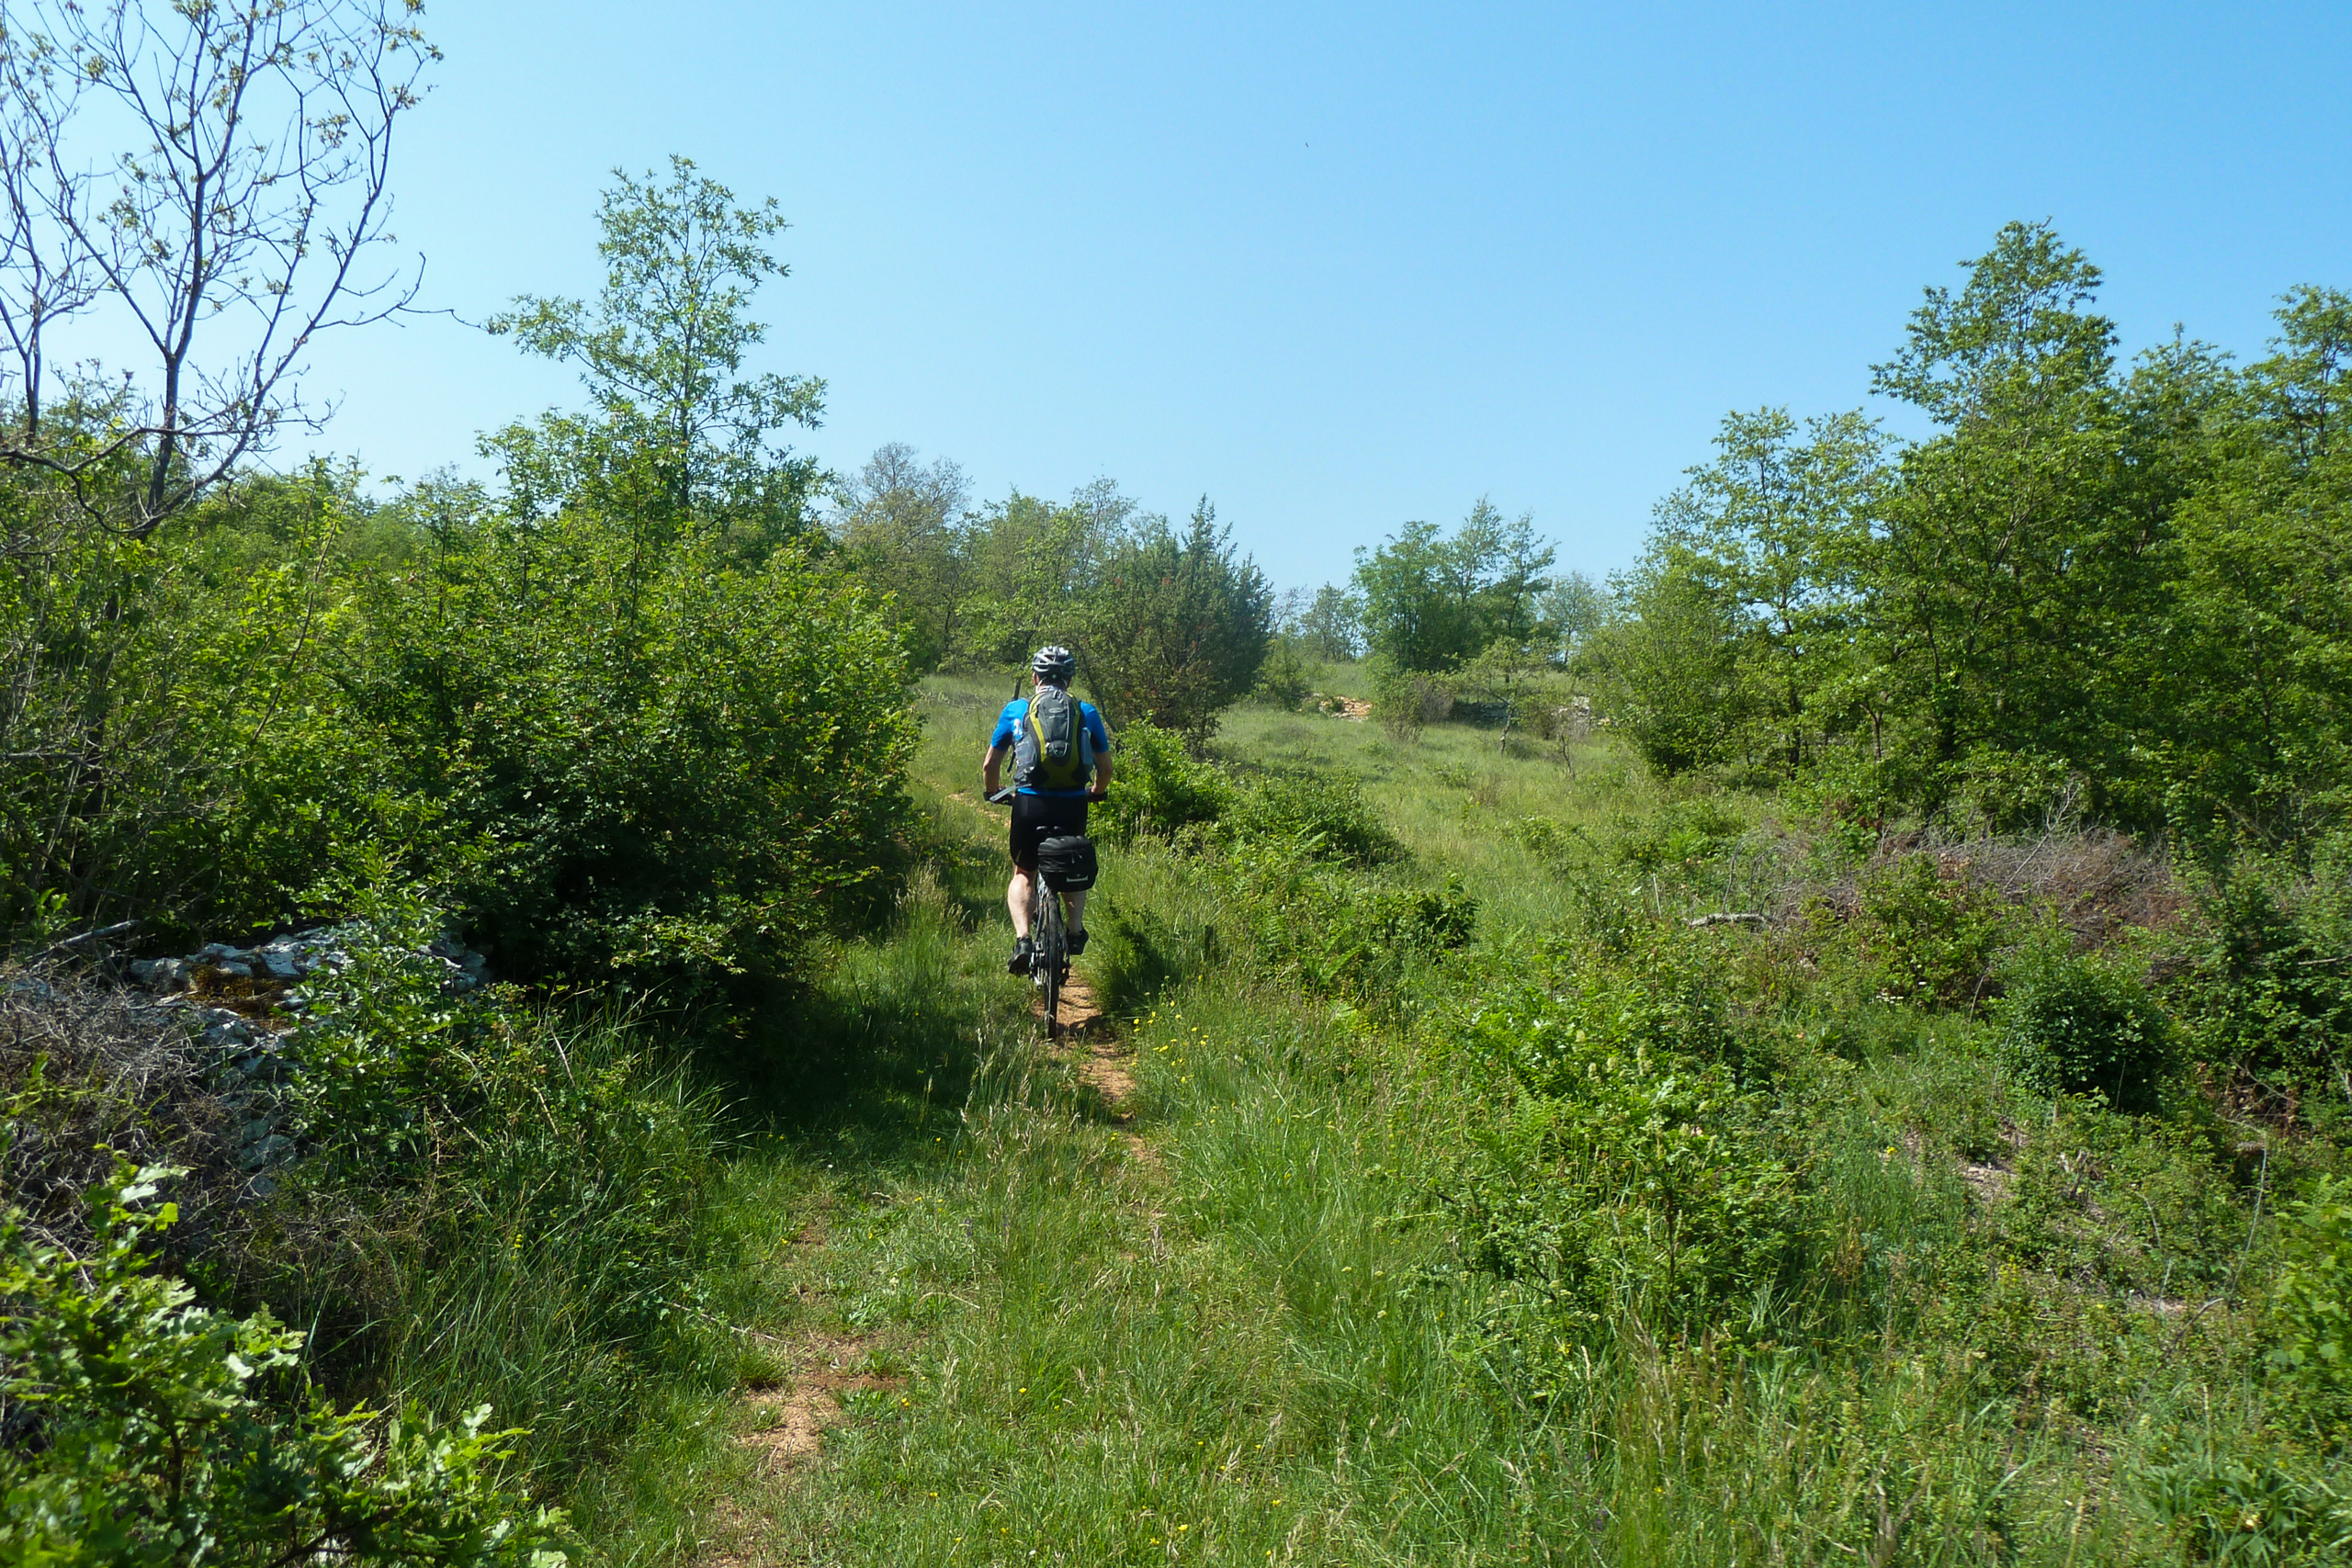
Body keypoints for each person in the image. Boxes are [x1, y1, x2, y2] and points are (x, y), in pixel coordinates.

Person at [983, 645, 1113, 975]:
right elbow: (1106, 767)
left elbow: (991, 763)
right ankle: (1074, 932)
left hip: (1029, 804)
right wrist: (1095, 792)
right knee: (1071, 866)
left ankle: (1023, 940)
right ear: (1069, 679)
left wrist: (993, 793)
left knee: (1024, 873)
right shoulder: (1087, 712)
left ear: (1034, 676)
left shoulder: (1016, 709)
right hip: (1072, 804)